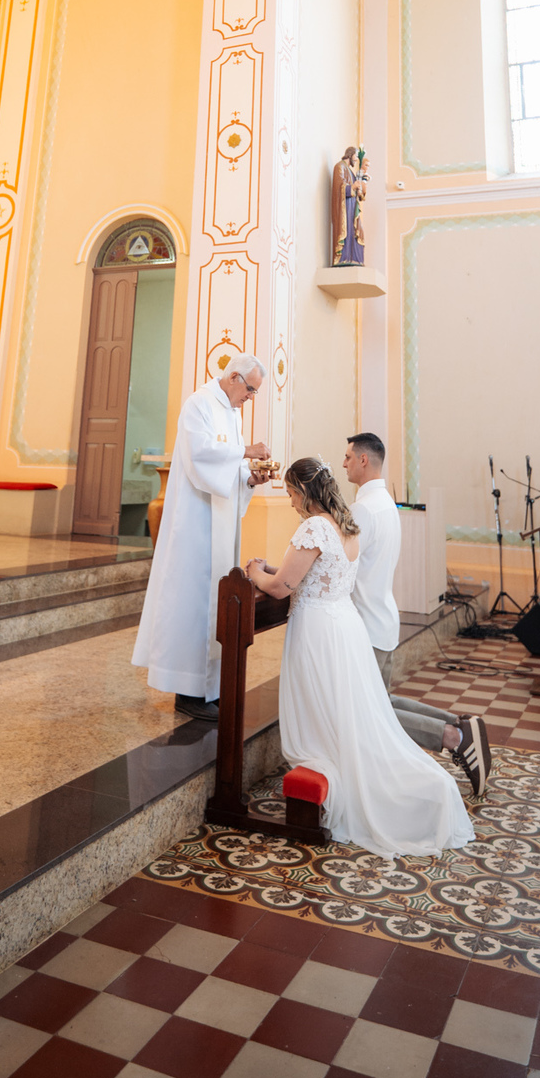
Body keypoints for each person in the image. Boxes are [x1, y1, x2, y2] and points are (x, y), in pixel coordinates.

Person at [246, 458, 475, 859]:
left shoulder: (315, 526)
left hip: (320, 630)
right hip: (344, 627)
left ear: (303, 491)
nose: (290, 502)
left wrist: (253, 572)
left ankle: (360, 780)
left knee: (330, 710)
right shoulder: (346, 525)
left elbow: (283, 585)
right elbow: (312, 571)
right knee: (348, 713)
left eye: (290, 493)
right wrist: (275, 568)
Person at [344, 432, 493, 798]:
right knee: (380, 703)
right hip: (382, 619)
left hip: (365, 624)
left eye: (348, 457)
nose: (344, 462)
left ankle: (453, 737)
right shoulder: (385, 503)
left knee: (370, 713)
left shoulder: (363, 509)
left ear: (364, 460)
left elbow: (345, 566)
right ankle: (459, 724)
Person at [131, 354, 270, 719]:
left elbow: (230, 470)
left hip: (221, 525)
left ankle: (210, 689)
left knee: (217, 607)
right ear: (234, 377)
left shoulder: (231, 412)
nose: (251, 397)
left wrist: (249, 478)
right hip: (195, 528)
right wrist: (246, 451)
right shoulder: (199, 404)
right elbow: (201, 457)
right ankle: (188, 693)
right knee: (194, 607)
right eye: (251, 389)